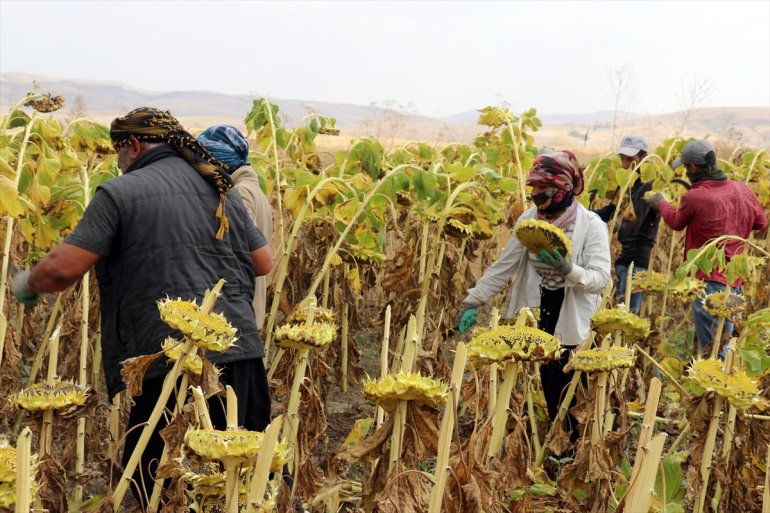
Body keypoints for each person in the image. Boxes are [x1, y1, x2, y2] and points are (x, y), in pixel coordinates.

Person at [11, 107, 274, 502]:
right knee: (243, 482)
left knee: (159, 482)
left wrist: (28, 282)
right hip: (238, 352)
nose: (117, 163)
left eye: (118, 152)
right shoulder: (219, 185)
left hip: (166, 359)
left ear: (132, 146)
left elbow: (63, 269)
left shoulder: (121, 193)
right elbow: (263, 262)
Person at [457, 151, 611, 440]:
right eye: (534, 188)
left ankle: (573, 448)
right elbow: (504, 266)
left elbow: (600, 279)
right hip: (535, 310)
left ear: (563, 188)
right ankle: (542, 442)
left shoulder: (591, 225)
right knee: (535, 383)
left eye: (543, 189)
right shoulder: (529, 219)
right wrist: (473, 300)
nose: (536, 195)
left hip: (570, 312)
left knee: (566, 386)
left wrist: (568, 269)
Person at [647, 139, 767, 356]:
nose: (685, 171)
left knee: (713, 350)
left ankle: (711, 389)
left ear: (693, 167)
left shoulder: (695, 196)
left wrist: (661, 203)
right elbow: (761, 223)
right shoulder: (741, 189)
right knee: (724, 341)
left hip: (708, 283)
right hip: (734, 280)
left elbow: (675, 223)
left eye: (685, 167)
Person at [197, 125, 273, 330]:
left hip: (239, 311)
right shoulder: (252, 188)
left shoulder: (240, 193)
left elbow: (238, 251)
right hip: (249, 308)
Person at [594, 135, 660, 313]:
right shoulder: (626, 182)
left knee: (628, 312)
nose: (625, 164)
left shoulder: (649, 186)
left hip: (636, 257)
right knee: (615, 307)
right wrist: (587, 215)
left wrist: (607, 229)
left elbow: (632, 224)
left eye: (630, 159)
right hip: (621, 254)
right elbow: (612, 210)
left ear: (643, 158)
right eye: (622, 159)